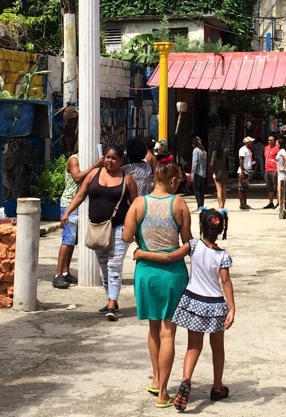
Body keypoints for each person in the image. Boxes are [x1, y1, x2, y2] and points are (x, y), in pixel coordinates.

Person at [134, 208, 235, 412]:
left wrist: (142, 253)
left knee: (194, 346)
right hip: (215, 305)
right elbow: (225, 280)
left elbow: (170, 258)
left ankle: (186, 380)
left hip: (194, 302)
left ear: (201, 227)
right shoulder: (223, 255)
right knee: (217, 347)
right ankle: (217, 386)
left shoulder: (193, 246)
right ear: (221, 229)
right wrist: (231, 308)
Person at [122, 162, 192, 409]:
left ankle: (155, 378)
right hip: (172, 274)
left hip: (146, 273)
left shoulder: (139, 203)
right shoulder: (179, 204)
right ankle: (163, 392)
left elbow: (125, 236)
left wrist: (144, 246)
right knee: (168, 331)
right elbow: (187, 240)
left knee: (153, 328)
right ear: (173, 181)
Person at [61, 145, 138, 320]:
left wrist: (135, 229)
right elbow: (80, 195)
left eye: (113, 158)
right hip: (97, 228)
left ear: (121, 161)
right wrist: (67, 213)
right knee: (104, 266)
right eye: (107, 157)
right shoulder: (93, 174)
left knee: (114, 265)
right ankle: (111, 299)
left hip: (119, 228)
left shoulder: (128, 180)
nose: (109, 161)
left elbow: (135, 205)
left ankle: (112, 303)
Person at [52, 149, 97, 289]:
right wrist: (95, 166)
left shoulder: (85, 162)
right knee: (67, 239)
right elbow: (77, 177)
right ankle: (58, 274)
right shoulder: (74, 160)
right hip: (69, 203)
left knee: (72, 241)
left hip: (79, 204)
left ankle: (65, 272)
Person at [237, 137, 255, 210]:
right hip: (244, 170)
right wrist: (242, 171)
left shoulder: (249, 150)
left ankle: (245, 203)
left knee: (245, 188)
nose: (252, 143)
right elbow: (241, 160)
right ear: (247, 142)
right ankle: (242, 204)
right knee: (241, 188)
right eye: (251, 142)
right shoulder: (243, 149)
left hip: (248, 170)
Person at [275, 139, 286, 216]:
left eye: (277, 142)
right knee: (279, 189)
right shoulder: (280, 151)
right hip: (279, 172)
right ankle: (281, 204)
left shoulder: (282, 150)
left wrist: (283, 167)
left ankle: (281, 205)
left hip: (283, 172)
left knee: (280, 189)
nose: (276, 143)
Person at [190, 136, 208, 211]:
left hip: (197, 173)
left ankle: (199, 205)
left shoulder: (196, 151)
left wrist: (192, 174)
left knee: (196, 190)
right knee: (201, 190)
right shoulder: (202, 151)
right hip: (203, 174)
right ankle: (201, 205)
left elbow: (195, 162)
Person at [210, 144, 229, 209]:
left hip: (216, 173)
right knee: (224, 190)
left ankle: (219, 205)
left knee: (219, 190)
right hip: (224, 172)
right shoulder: (226, 151)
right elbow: (227, 161)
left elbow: (211, 164)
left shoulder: (214, 153)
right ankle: (223, 205)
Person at [263, 135, 279, 209]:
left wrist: (276, 170)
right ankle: (271, 202)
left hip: (273, 169)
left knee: (276, 187)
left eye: (271, 140)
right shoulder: (266, 148)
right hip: (267, 169)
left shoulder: (277, 149)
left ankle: (278, 202)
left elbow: (278, 160)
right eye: (268, 140)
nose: (269, 141)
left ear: (275, 141)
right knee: (269, 187)